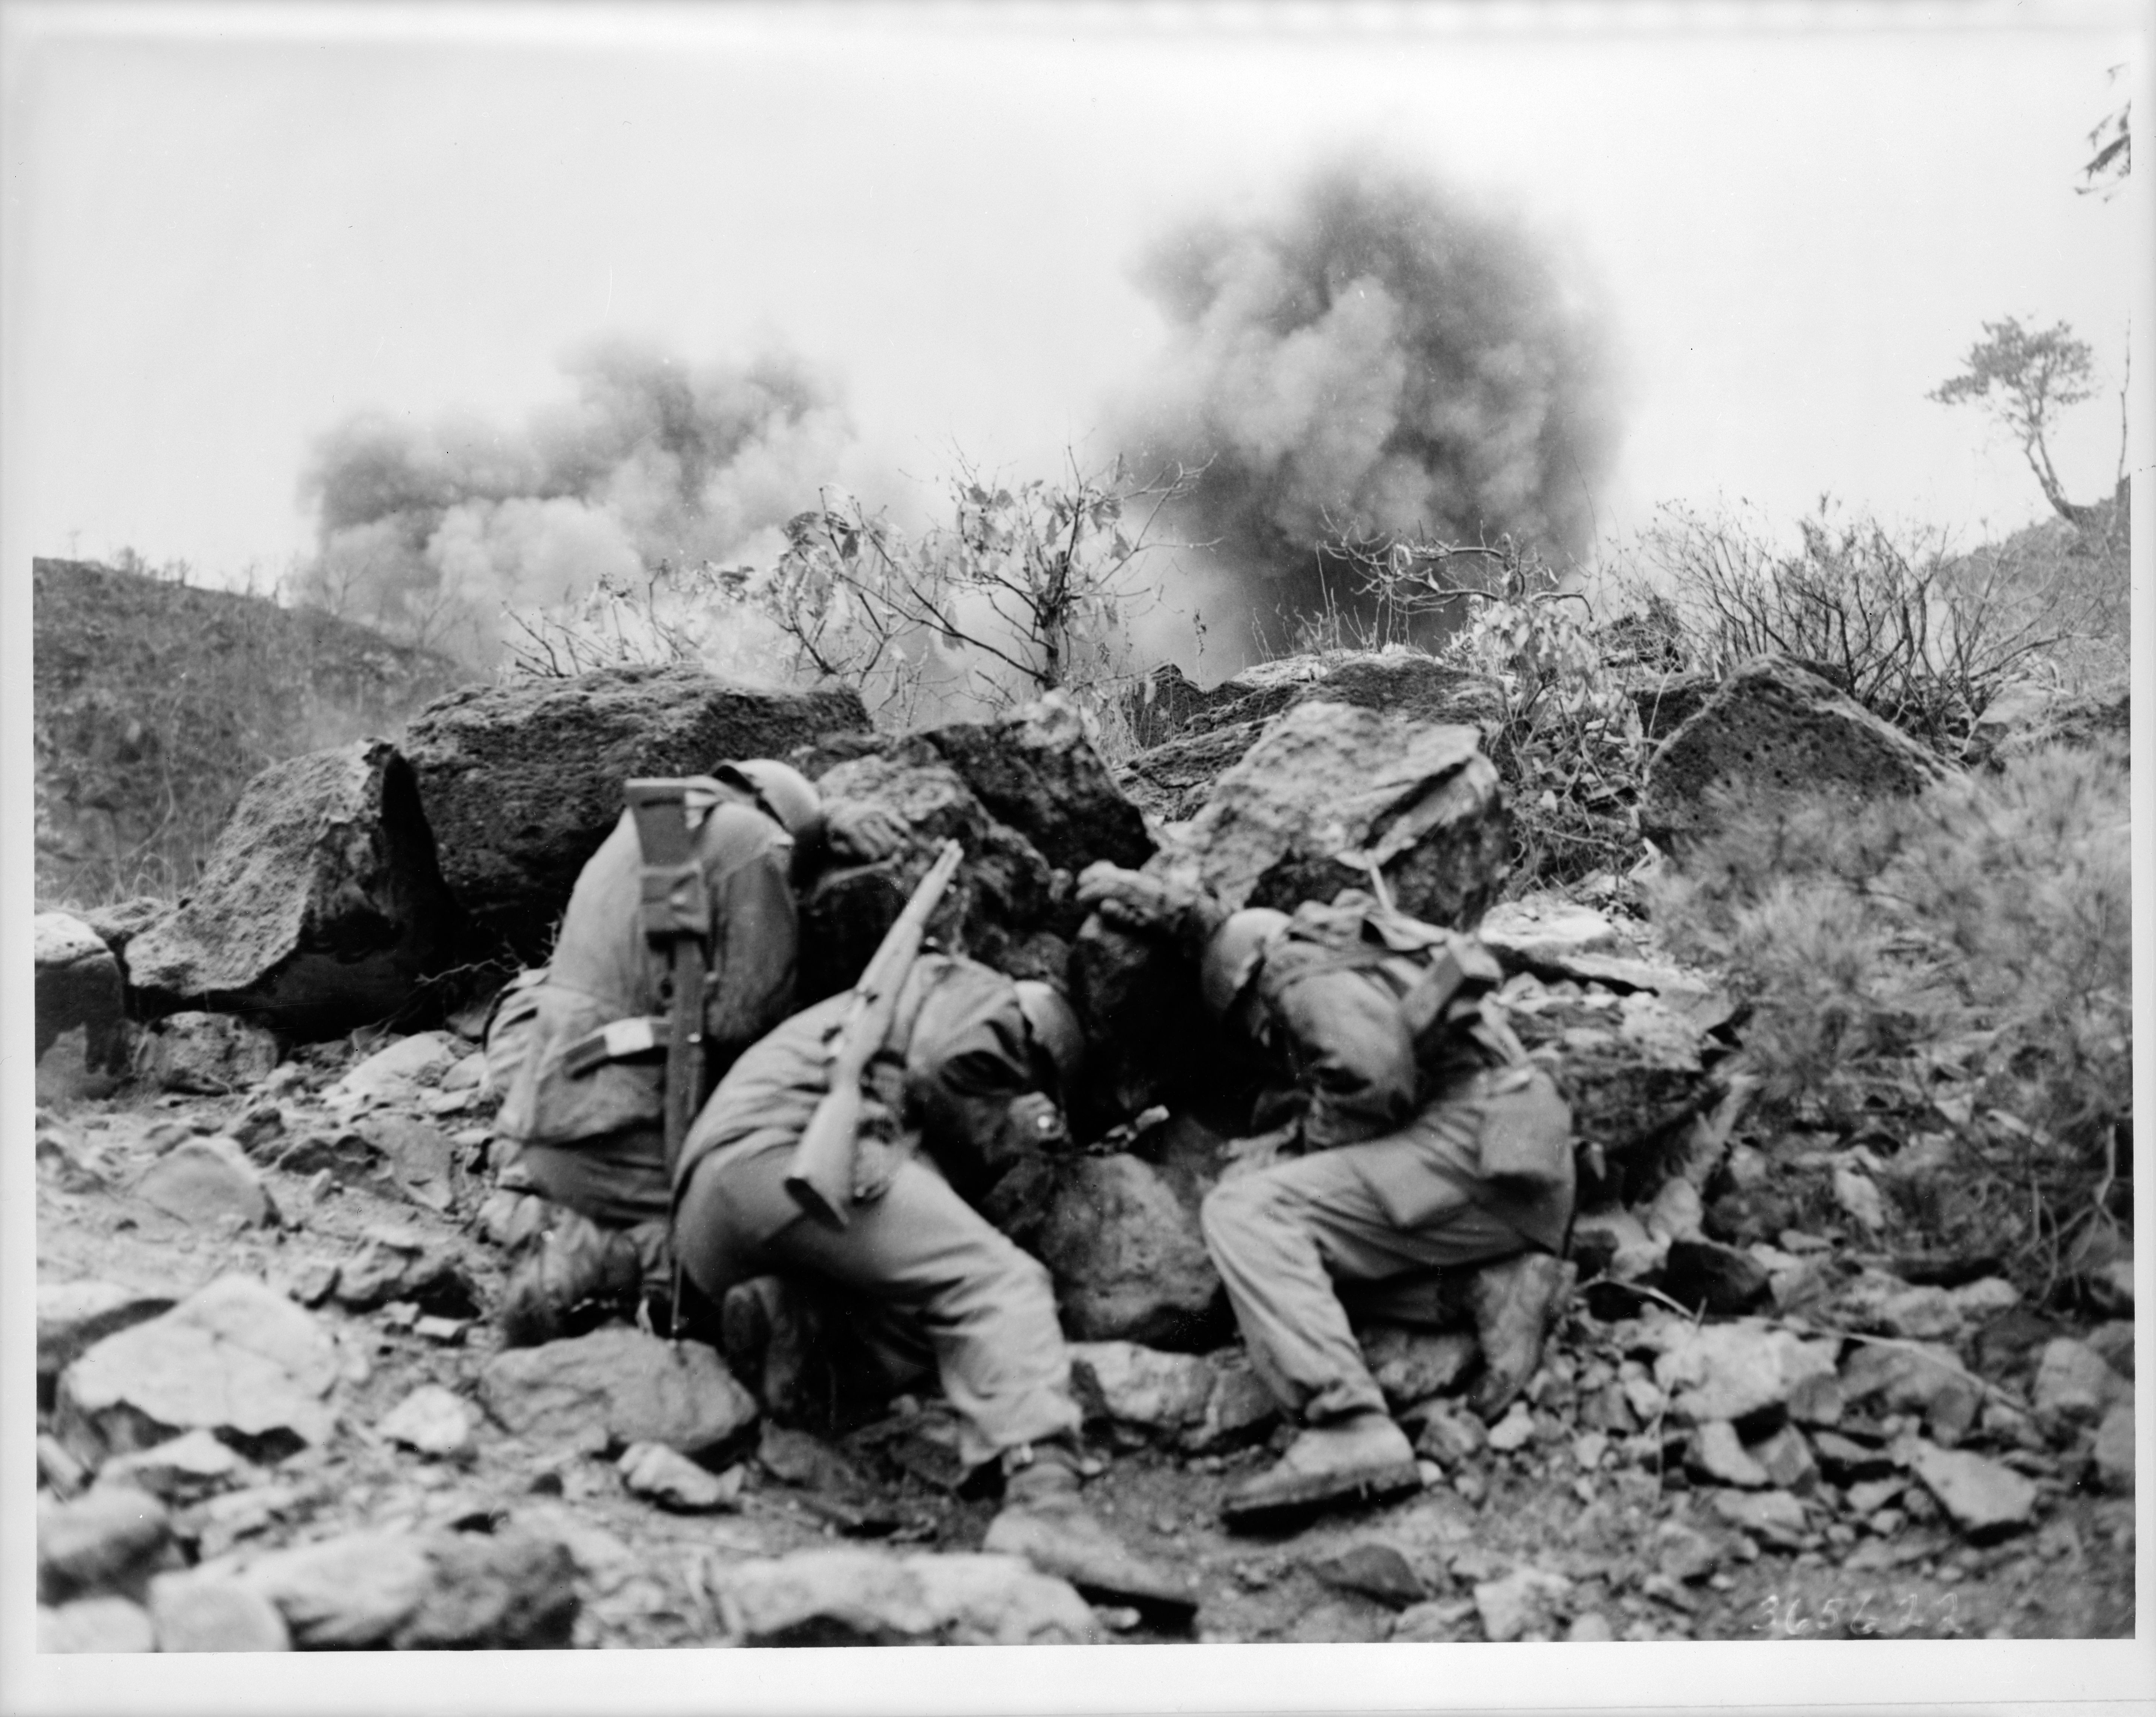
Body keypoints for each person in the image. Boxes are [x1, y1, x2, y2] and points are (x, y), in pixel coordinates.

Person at [671, 948, 1195, 1619]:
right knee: (1000, 1282)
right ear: (1039, 1048)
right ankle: (1046, 1502)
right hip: (793, 1159)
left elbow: (919, 1130)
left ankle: (793, 1324)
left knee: (924, 1312)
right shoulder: (987, 998)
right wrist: (1019, 1125)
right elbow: (945, 1065)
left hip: (712, 1219)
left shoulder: (886, 1008)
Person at [1077, 866, 1577, 1527]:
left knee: (1247, 1213)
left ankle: (1347, 1424)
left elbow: (1372, 1077)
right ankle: (1483, 1286)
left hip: (1473, 1153)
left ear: (1242, 990)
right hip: (1515, 1173)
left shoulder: (1291, 969)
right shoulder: (1357, 950)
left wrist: (1301, 1148)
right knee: (1291, 1271)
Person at [485, 759, 903, 1345]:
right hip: (617, 1130)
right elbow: (748, 1017)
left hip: (552, 1125)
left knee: (684, 1225)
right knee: (759, 1222)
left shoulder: (647, 831)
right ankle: (604, 1277)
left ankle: (573, 1266)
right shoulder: (755, 841)